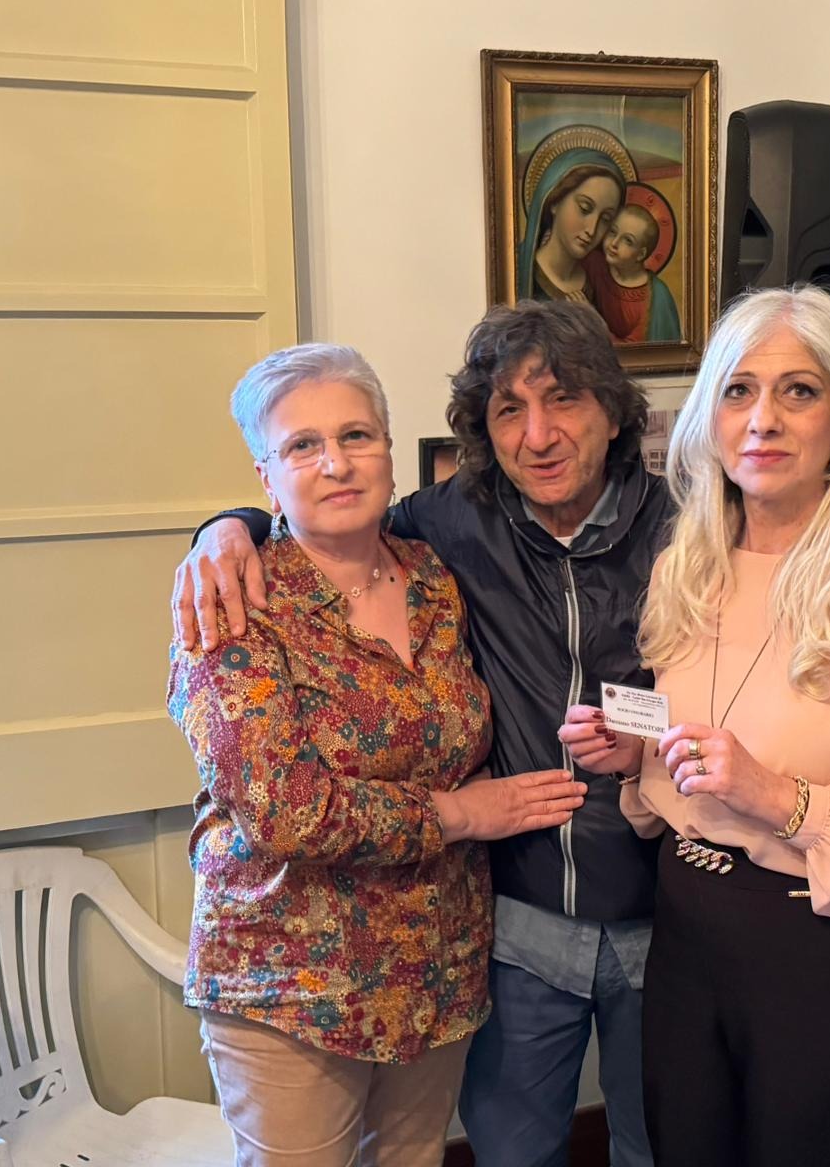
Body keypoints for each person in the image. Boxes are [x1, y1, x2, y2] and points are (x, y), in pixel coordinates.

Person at [171, 302, 830, 1167]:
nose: (539, 435)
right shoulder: (445, 530)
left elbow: (817, 525)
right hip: (515, 922)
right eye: (509, 410)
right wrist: (227, 528)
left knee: (658, 1148)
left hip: (665, 917)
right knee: (515, 1152)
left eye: (565, 399)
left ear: (615, 412)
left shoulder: (690, 529)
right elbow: (328, 511)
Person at [558, 284, 830, 1165]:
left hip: (819, 958)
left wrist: (780, 799)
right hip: (685, 938)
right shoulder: (686, 570)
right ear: (709, 418)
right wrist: (637, 758)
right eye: (739, 390)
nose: (764, 420)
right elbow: (690, 778)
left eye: (800, 391)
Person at [167, 344, 588, 1167]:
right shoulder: (234, 604)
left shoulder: (434, 578)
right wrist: (460, 814)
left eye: (357, 436)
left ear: (390, 452)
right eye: (303, 445)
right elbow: (285, 809)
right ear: (266, 477)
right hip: (293, 983)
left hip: (438, 969)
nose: (337, 463)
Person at [516, 139, 627, 307]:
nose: (592, 230)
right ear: (555, 201)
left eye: (605, 219)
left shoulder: (598, 284)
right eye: (585, 208)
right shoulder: (518, 271)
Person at [584, 204, 682, 344]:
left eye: (628, 241)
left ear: (641, 254)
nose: (614, 243)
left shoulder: (655, 297)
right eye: (613, 232)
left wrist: (591, 320)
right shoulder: (594, 263)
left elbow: (634, 351)